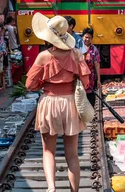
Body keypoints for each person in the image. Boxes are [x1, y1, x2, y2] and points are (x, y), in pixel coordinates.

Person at [25, 14, 90, 192]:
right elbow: (86, 83)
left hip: (49, 103)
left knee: (48, 151)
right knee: (72, 154)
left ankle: (52, 188)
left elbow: (29, 84)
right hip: (70, 103)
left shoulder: (43, 57)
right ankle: (74, 190)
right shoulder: (77, 54)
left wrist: (42, 83)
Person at [81, 27, 101, 107]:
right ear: (83, 37)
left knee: (90, 98)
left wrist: (99, 80)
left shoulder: (94, 50)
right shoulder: (78, 48)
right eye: (86, 37)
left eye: (89, 38)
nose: (87, 39)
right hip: (80, 77)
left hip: (91, 78)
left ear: (92, 38)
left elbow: (97, 64)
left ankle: (90, 116)